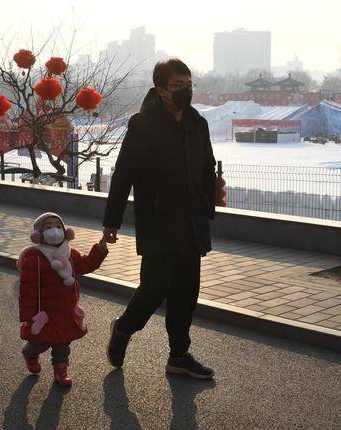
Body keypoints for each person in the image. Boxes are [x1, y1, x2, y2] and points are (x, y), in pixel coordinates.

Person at [102, 59, 217, 379]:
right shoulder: (143, 124)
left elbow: (208, 167)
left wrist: (208, 205)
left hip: (192, 222)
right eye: (179, 86)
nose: (186, 91)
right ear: (160, 90)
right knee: (153, 289)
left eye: (189, 85)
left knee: (186, 293)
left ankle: (179, 356)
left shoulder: (198, 123)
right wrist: (111, 221)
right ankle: (124, 329)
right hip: (157, 221)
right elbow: (123, 175)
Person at [17, 212, 108, 386]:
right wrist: (29, 315)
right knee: (39, 344)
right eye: (49, 227)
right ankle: (30, 354)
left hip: (66, 311)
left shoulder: (70, 254)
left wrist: (100, 248)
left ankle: (61, 371)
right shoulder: (34, 258)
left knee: (62, 344)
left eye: (58, 227)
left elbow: (88, 264)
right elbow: (26, 290)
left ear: (66, 232)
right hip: (44, 314)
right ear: (38, 235)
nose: (55, 231)